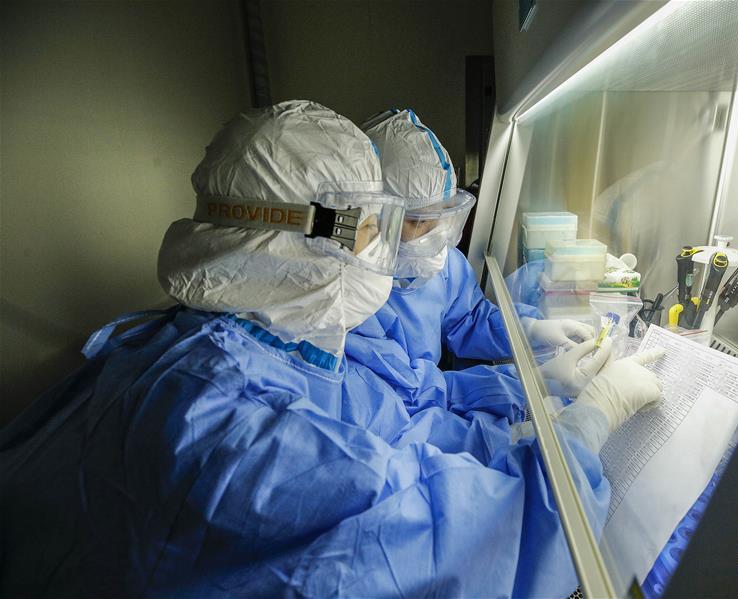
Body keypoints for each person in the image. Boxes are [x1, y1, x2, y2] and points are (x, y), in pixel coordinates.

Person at [0, 100, 663, 597]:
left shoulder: (244, 343)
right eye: (371, 228)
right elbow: (444, 533)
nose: (387, 251)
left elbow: (391, 426)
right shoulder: (214, 423)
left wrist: (519, 412)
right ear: (308, 234)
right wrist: (581, 430)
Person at [360, 108, 595, 365]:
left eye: (444, 215)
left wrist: (528, 330)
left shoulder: (446, 265)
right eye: (419, 221)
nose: (435, 235)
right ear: (375, 215)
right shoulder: (354, 292)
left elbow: (468, 320)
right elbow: (408, 387)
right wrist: (519, 381)